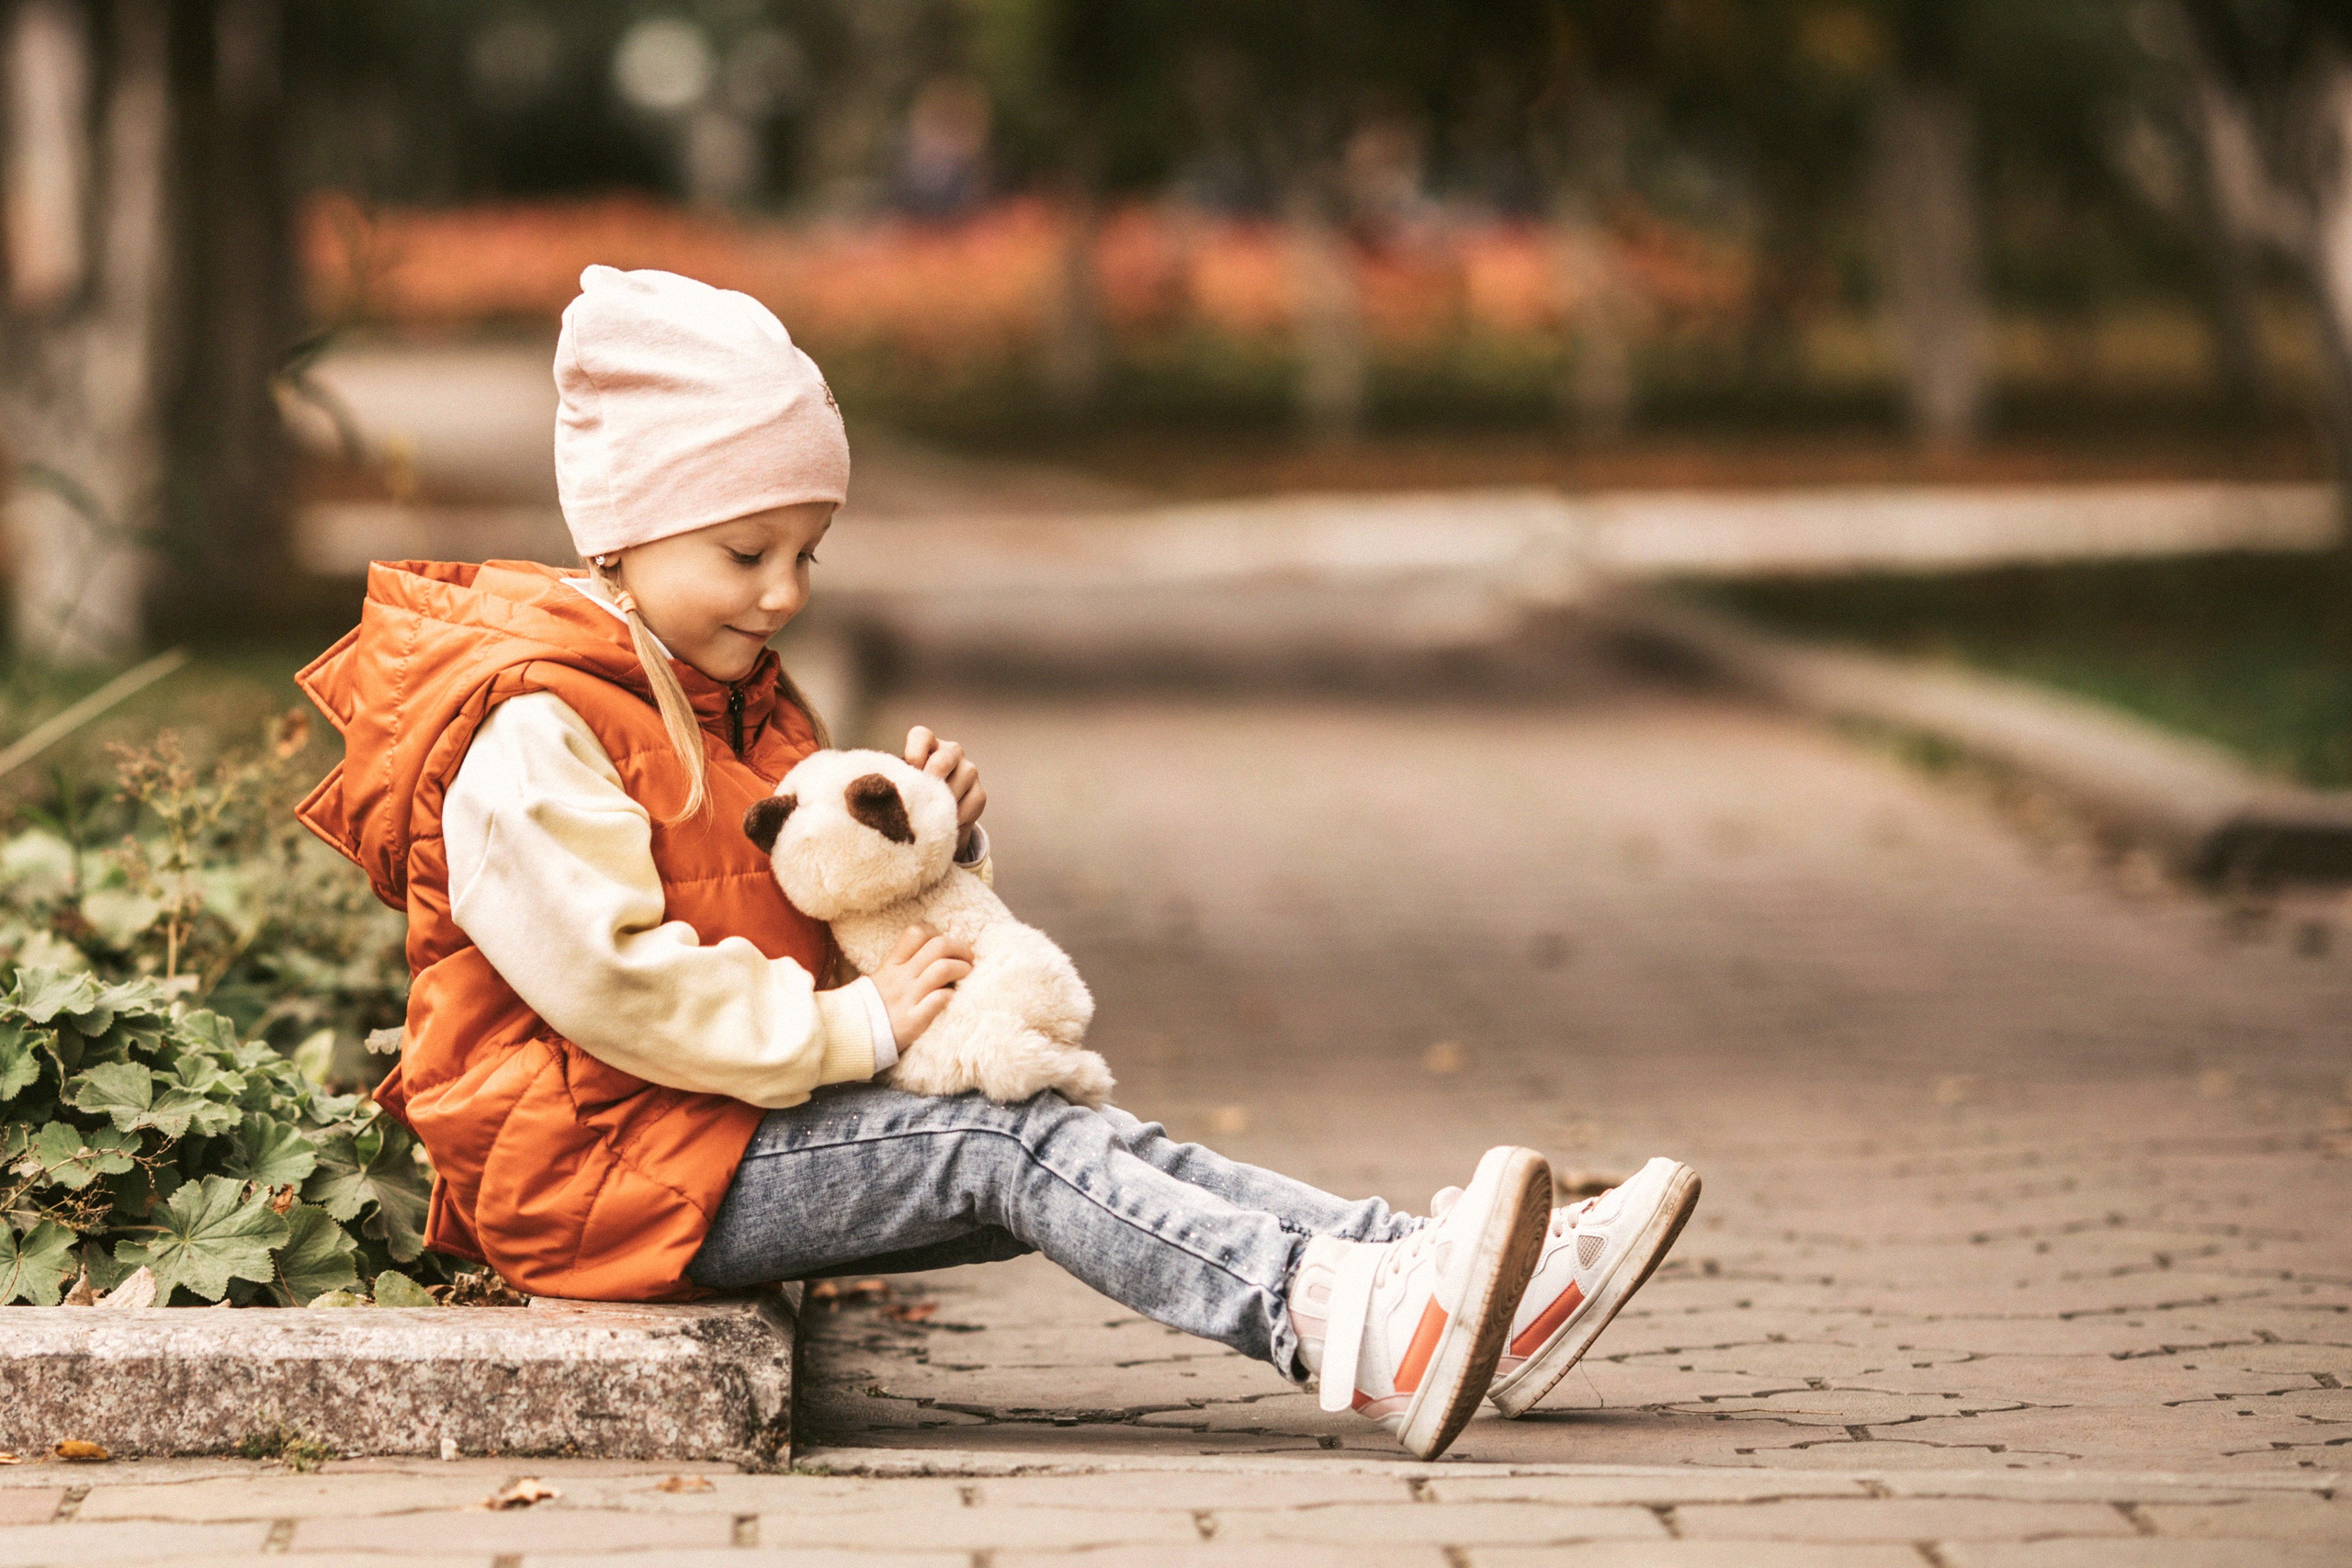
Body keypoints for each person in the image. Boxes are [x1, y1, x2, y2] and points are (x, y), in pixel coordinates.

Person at [296, 265, 1700, 1461]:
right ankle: (1348, 1328)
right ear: (624, 526)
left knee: (1071, 1119)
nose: (784, 591)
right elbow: (611, 983)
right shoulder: (534, 727)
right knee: (1001, 1137)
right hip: (598, 1176)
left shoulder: (725, 695)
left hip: (698, 1131)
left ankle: (1442, 1280)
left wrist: (933, 842)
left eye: (808, 553)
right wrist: (855, 1029)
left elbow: (803, 897)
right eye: (745, 551)